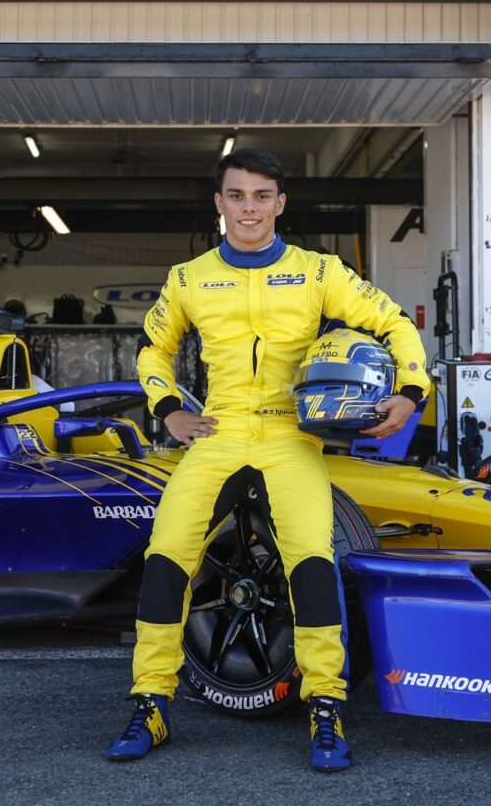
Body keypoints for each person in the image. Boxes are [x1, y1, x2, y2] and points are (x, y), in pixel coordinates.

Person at [105, 148, 429, 773]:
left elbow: (395, 323)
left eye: (261, 196)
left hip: (290, 435)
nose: (248, 208)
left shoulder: (319, 271)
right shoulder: (188, 277)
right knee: (166, 556)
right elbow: (152, 348)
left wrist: (411, 391)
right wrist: (168, 407)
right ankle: (150, 703)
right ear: (219, 203)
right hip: (218, 432)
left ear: (280, 203)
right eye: (236, 195)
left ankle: (326, 706)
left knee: (312, 560)